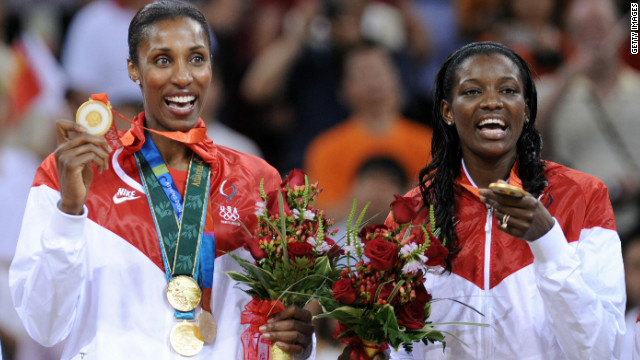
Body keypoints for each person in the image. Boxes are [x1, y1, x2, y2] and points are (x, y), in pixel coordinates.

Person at [9, 1, 315, 359]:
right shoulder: (74, 172)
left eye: (197, 58)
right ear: (134, 69)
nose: (183, 76)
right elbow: (43, 326)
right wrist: (69, 212)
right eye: (163, 60)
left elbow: (272, 327)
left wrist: (296, 342)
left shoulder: (257, 181)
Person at [387, 41, 625, 359]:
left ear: (526, 110)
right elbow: (394, 347)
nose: (491, 102)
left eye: (508, 91)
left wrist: (548, 242)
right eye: (472, 91)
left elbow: (605, 351)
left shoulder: (583, 196)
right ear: (447, 111)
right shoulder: (411, 212)